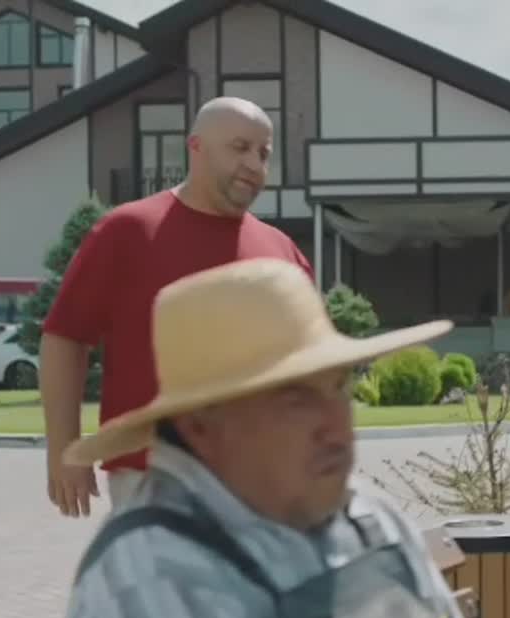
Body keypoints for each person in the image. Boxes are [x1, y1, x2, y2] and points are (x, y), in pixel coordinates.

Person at [40, 258, 510, 618]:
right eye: (296, 398)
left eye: (339, 386)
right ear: (200, 425)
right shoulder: (158, 584)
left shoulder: (369, 519)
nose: (336, 424)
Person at [39, 96, 314, 518]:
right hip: (157, 482)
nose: (255, 166)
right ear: (195, 147)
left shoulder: (283, 251)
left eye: (264, 153)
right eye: (239, 148)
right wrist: (64, 450)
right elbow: (65, 338)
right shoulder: (127, 231)